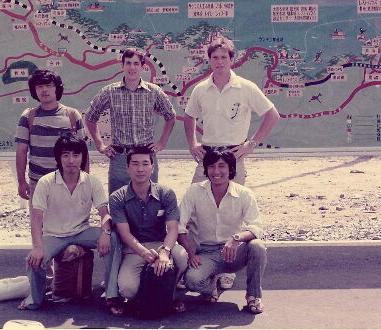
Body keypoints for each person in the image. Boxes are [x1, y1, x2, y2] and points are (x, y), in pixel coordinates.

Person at [182, 36, 279, 289]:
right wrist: (193, 143)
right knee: (192, 212)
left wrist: (252, 144)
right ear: (209, 60)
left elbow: (272, 114)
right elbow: (189, 116)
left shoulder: (246, 87)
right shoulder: (201, 89)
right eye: (214, 57)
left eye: (224, 57)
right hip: (208, 155)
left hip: (235, 156)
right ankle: (199, 262)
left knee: (233, 211)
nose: (219, 62)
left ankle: (228, 268)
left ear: (232, 59)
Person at [18, 135, 121, 310]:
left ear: (83, 157)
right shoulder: (46, 182)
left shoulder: (91, 182)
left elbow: (104, 213)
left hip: (82, 232)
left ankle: (112, 294)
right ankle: (35, 299)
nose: (71, 160)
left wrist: (106, 232)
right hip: (54, 235)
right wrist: (37, 246)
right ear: (58, 158)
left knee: (114, 240)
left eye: (76, 155)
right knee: (34, 259)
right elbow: (36, 219)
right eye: (65, 155)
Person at [177, 148, 267, 314]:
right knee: (192, 281)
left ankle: (253, 296)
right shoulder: (194, 191)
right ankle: (210, 285)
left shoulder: (244, 194)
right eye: (211, 166)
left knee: (258, 246)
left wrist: (236, 238)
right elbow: (179, 225)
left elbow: (257, 227)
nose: (216, 171)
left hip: (233, 252)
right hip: (205, 252)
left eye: (221, 166)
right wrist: (191, 254)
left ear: (231, 169)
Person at [84, 48, 176, 195]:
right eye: (128, 63)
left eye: (136, 63)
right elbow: (90, 117)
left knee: (149, 201)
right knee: (118, 201)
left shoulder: (154, 92)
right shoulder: (110, 91)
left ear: (143, 67)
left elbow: (170, 116)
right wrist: (100, 145)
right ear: (122, 66)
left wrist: (162, 142)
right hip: (120, 158)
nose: (132, 67)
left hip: (146, 156)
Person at [108, 146, 188, 316]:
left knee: (182, 256)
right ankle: (147, 294)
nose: (140, 169)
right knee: (127, 290)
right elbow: (125, 234)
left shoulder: (166, 193)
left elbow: (173, 229)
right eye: (135, 164)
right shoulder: (117, 197)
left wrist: (165, 252)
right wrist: (144, 253)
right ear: (128, 168)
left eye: (145, 163)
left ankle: (168, 294)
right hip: (133, 249)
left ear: (152, 167)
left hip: (161, 244)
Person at [15, 69, 88, 214]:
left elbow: (83, 151)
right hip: (38, 182)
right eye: (39, 86)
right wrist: (21, 182)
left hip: (69, 182)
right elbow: (21, 150)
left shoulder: (72, 115)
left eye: (49, 85)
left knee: (71, 223)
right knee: (39, 225)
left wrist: (85, 181)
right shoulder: (28, 116)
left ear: (57, 88)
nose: (44, 90)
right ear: (34, 90)